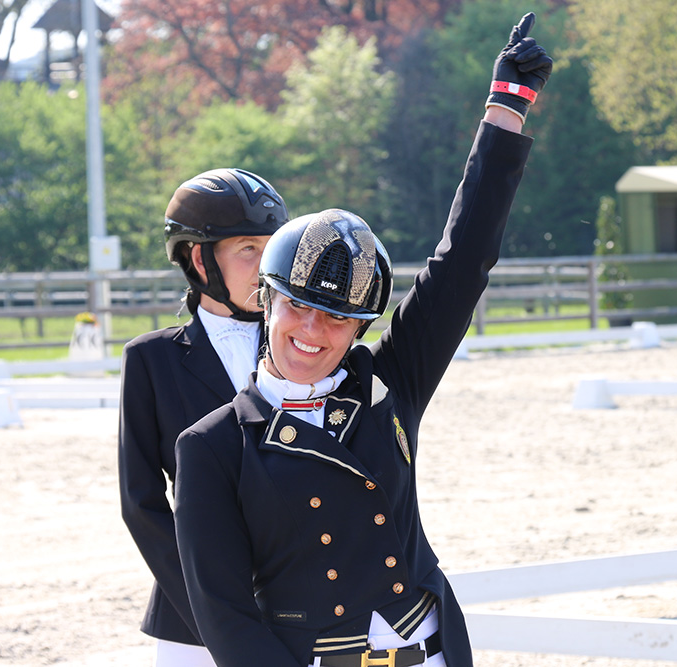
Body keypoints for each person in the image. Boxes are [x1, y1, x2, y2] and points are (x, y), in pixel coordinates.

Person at [172, 13, 552, 667]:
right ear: (266, 298)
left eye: (338, 319)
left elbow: (462, 264)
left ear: (359, 329)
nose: (312, 332)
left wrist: (506, 110)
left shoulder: (387, 383)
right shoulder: (209, 449)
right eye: (298, 306)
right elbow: (228, 620)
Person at [118, 168, 289, 666]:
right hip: (192, 620)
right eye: (248, 250)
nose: (265, 266)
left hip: (299, 603)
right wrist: (210, 608)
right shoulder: (151, 361)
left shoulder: (303, 346)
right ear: (199, 257)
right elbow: (141, 502)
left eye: (272, 248)